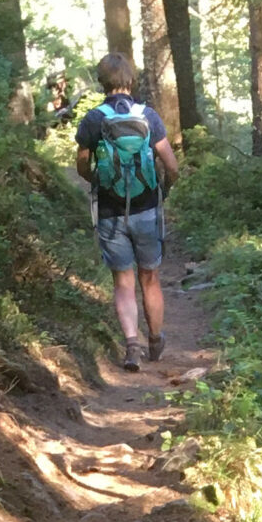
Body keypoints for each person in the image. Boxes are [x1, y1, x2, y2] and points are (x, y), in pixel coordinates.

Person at [75, 52, 179, 370]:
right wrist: (163, 190)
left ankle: (131, 345)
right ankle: (156, 339)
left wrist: (99, 183)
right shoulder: (148, 115)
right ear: (130, 80)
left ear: (101, 82)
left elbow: (81, 166)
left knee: (123, 280)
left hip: (109, 211)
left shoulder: (94, 119)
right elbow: (171, 165)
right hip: (147, 207)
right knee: (150, 277)